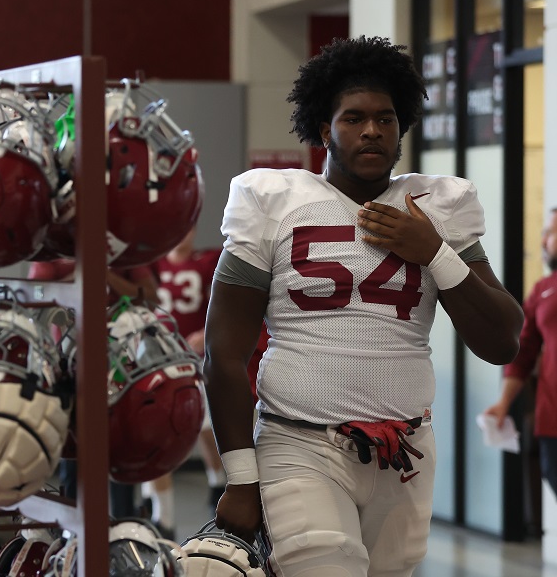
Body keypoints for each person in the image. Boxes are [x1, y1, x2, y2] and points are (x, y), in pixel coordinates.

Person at [204, 35, 523, 576]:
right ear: (325, 129)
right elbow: (223, 353)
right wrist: (240, 475)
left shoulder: (436, 210)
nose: (372, 130)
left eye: (386, 118)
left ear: (401, 128)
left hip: (405, 452)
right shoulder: (272, 201)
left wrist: (435, 253)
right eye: (353, 118)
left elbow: (502, 340)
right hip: (299, 442)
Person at [28, 257, 159, 519]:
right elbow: (35, 297)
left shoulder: (117, 252)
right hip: (69, 363)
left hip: (118, 361)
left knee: (120, 443)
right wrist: (81, 276)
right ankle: (69, 523)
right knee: (71, 446)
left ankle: (123, 521)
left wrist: (109, 277)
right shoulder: (55, 250)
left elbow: (151, 296)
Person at [139, 226, 227, 538]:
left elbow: (230, 298)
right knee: (154, 438)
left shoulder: (208, 260)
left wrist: (207, 334)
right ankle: (163, 515)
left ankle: (217, 484)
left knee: (206, 428)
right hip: (154, 360)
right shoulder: (148, 265)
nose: (181, 235)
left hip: (193, 360)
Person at [484, 207, 557, 499]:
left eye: (551, 233)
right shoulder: (543, 290)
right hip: (552, 422)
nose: (543, 242)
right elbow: (523, 352)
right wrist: (503, 403)